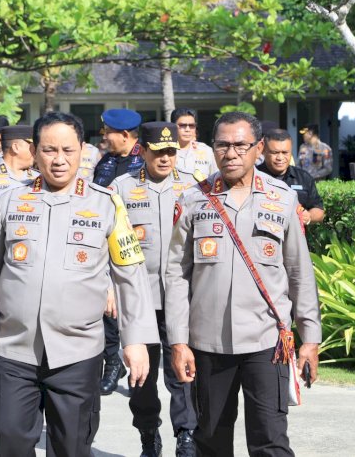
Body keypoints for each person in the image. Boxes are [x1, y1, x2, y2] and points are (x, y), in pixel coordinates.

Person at [0, 111, 159, 457]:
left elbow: (130, 275)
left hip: (77, 352)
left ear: (82, 150)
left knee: (72, 445)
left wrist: (136, 340)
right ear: (35, 152)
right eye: (50, 150)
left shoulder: (107, 203)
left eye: (68, 150)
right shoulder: (10, 201)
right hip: (14, 349)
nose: (59, 160)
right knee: (9, 440)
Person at [166, 111, 321, 456]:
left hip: (267, 343)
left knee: (270, 440)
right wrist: (178, 341)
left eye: (240, 145)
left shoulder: (282, 199)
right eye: (222, 145)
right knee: (210, 440)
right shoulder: (193, 200)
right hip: (207, 345)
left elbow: (299, 272)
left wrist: (310, 338)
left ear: (259, 148)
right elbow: (175, 274)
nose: (231, 153)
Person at [110, 122, 198, 457]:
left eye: (171, 152)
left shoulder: (193, 187)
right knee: (142, 377)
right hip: (140, 298)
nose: (165, 158)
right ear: (142, 150)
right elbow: (111, 242)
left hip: (181, 298)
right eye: (158, 151)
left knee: (182, 371)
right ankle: (148, 434)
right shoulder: (122, 186)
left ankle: (186, 435)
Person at [92, 107, 144, 395]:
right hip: (109, 243)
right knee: (107, 308)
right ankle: (113, 361)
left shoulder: (142, 160)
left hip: (139, 245)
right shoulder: (107, 162)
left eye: (107, 132)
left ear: (124, 135)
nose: (104, 137)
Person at [258, 129, 325, 226]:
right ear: (263, 151)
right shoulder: (252, 176)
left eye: (285, 152)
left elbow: (319, 210)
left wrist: (309, 215)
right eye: (275, 152)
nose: (280, 158)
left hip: (294, 238)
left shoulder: (303, 178)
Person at [171, 108, 217, 180]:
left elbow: (216, 178)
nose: (187, 129)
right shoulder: (165, 152)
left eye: (191, 125)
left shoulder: (206, 151)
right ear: (173, 127)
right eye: (182, 125)